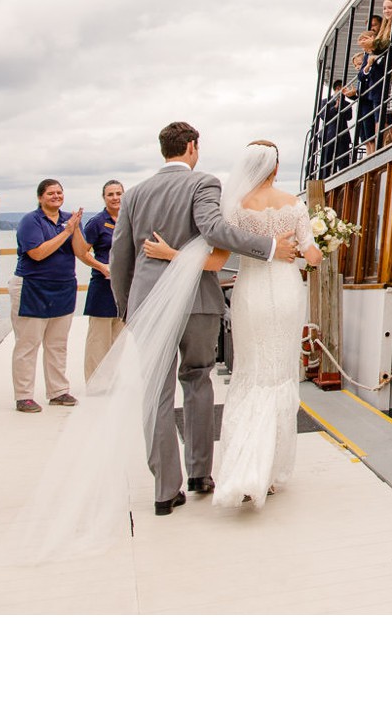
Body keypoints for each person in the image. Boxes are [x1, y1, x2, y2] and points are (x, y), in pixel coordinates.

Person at [108, 121, 299, 516]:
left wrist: (128, 308)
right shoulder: (203, 184)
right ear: (191, 147)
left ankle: (164, 491)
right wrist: (268, 246)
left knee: (156, 393)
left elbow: (119, 257)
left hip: (148, 306)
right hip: (198, 302)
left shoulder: (135, 195)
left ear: (164, 149)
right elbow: (214, 229)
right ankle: (200, 474)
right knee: (197, 380)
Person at [141, 141, 321, 508]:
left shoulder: (235, 207)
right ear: (275, 168)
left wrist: (169, 254)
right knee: (280, 373)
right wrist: (310, 252)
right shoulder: (295, 204)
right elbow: (313, 255)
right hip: (287, 293)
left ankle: (244, 468)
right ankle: (269, 472)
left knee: (252, 374)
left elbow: (212, 262)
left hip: (251, 294)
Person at [11, 179, 94, 412]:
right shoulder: (31, 221)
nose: (56, 196)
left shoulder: (70, 219)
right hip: (33, 287)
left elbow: (81, 252)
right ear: (40, 197)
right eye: (50, 193)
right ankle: (24, 395)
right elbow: (37, 253)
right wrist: (66, 231)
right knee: (28, 343)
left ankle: (58, 391)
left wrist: (75, 229)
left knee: (57, 344)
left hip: (64, 287)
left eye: (59, 192)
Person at [80, 181, 124, 381]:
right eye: (110, 194)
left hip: (124, 287)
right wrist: (101, 266)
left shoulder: (130, 218)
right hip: (102, 286)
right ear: (104, 197)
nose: (115, 197)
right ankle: (96, 384)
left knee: (119, 339)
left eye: (118, 193)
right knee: (99, 340)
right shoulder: (96, 222)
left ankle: (113, 382)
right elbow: (82, 251)